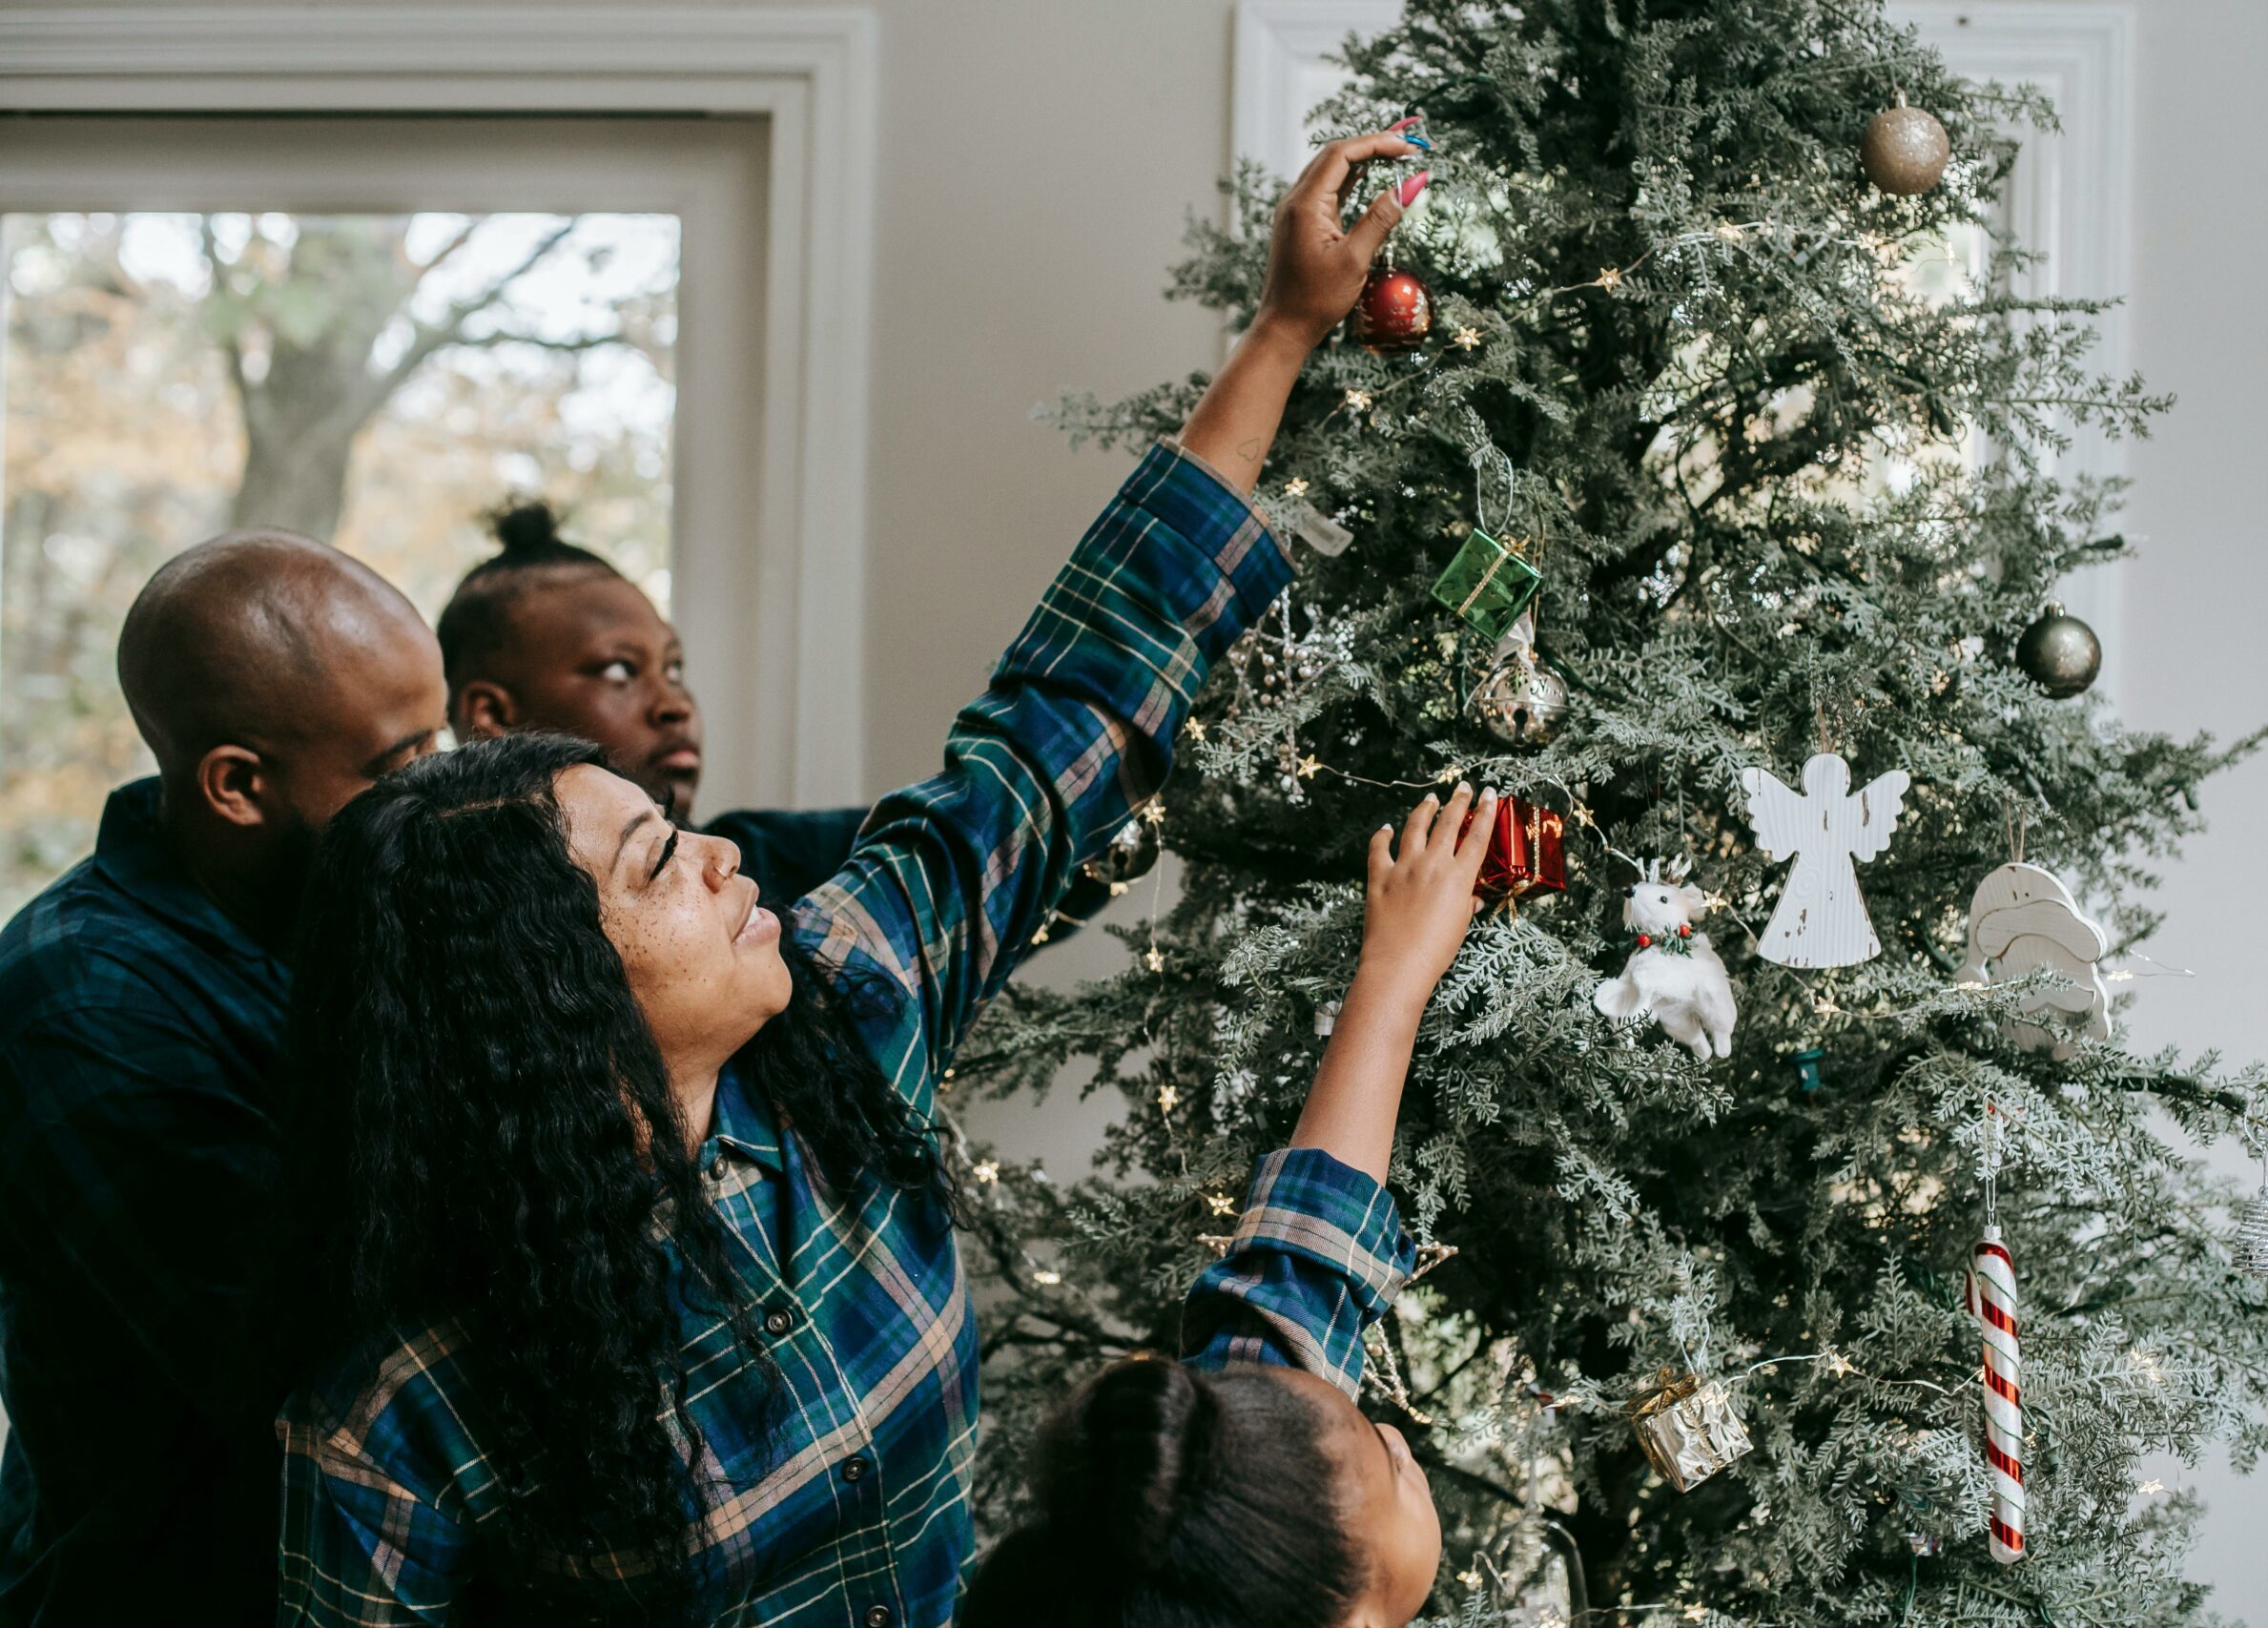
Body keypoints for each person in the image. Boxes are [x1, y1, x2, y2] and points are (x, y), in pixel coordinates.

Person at [272, 130, 1433, 1626]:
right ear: (547, 995)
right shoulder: (400, 1423)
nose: (722, 852)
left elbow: (1060, 721)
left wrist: (1281, 331)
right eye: (656, 860)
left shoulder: (843, 1008)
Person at [0, 532, 446, 1624]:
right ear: (238, 786)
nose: (444, 793)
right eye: (399, 767)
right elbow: (308, 1362)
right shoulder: (82, 1002)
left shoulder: (343, 905)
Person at [962, 787, 1495, 1628]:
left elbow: (1298, 1277)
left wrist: (1395, 971)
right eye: (1390, 1469)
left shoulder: (1191, 1535)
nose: (1399, 1442)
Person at [435, 503, 1108, 930]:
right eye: (619, 670)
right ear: (491, 714)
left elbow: (976, 842)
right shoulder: (438, 908)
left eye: (674, 667)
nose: (674, 703)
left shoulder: (759, 861)